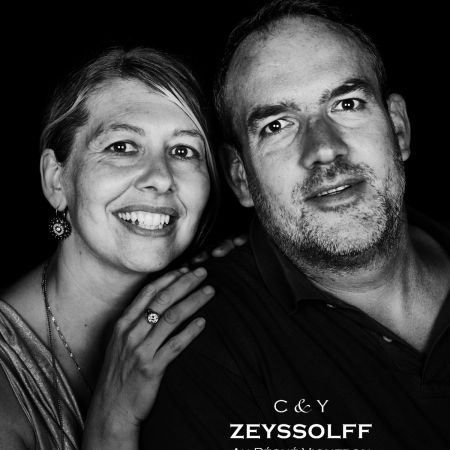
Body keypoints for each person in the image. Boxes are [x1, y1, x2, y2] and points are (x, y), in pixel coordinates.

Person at [140, 1, 450, 449]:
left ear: (398, 129)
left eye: (347, 104)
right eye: (277, 125)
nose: (323, 149)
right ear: (241, 178)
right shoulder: (202, 350)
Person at [0, 46, 242, 449]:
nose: (160, 178)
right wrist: (111, 426)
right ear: (57, 180)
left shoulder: (220, 301)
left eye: (183, 151)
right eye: (122, 146)